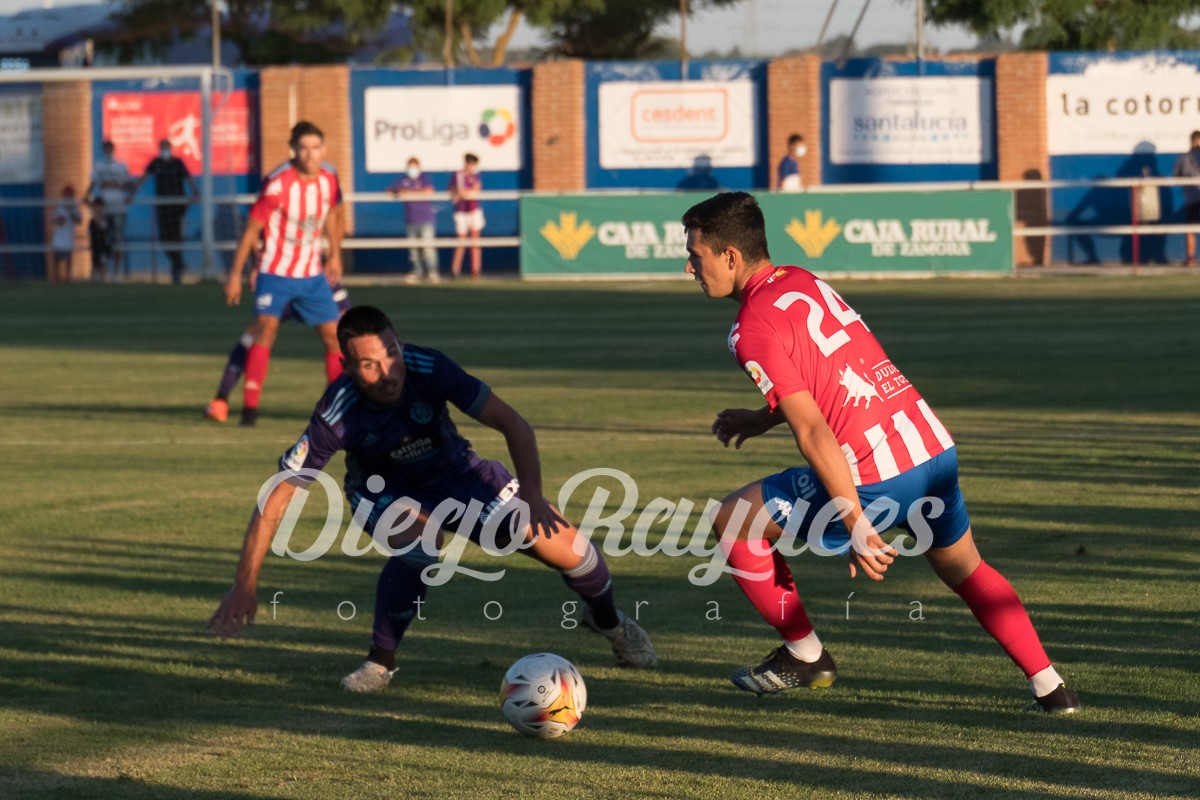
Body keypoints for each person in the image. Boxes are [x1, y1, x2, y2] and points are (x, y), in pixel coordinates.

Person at [680, 191, 1080, 713]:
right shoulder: (802, 280)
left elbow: (816, 432)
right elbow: (832, 373)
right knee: (965, 568)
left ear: (730, 255)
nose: (689, 266)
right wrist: (760, 418)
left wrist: (857, 522)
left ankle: (805, 656)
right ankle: (1051, 687)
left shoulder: (749, 328)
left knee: (734, 521)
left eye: (696, 254)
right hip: (930, 446)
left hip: (874, 472)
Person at [208, 305, 656, 691]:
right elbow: (279, 495)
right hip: (384, 490)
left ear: (399, 343)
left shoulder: (429, 366)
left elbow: (514, 424)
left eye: (391, 355)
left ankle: (609, 621)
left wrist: (535, 500)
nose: (388, 372)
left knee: (573, 552)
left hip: (459, 474)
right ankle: (380, 662)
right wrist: (245, 582)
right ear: (346, 366)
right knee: (420, 545)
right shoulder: (337, 411)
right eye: (369, 365)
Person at [222, 120, 345, 428]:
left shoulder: (329, 179)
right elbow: (252, 229)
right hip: (274, 272)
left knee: (335, 338)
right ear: (293, 150)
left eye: (315, 147)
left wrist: (335, 254)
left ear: (324, 149)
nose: (309, 154)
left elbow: (331, 214)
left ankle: (339, 410)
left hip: (311, 274)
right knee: (265, 331)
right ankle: (249, 411)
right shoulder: (278, 184)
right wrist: (236, 274)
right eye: (303, 148)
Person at [205, 282, 351, 423]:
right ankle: (223, 401)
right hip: (287, 284)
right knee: (253, 335)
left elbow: (333, 260)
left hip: (313, 285)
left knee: (342, 336)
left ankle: (337, 403)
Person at [131, 139, 199, 284]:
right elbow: (143, 177)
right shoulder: (156, 163)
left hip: (178, 206)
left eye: (166, 147)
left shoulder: (178, 163)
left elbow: (188, 178)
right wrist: (132, 192)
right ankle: (179, 262)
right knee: (164, 238)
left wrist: (195, 192)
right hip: (163, 206)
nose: (165, 150)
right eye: (162, 148)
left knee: (177, 237)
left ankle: (176, 271)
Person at [84, 140, 132, 279]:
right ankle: (101, 272)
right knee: (102, 241)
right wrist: (86, 196)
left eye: (110, 148)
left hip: (118, 208)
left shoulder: (121, 166)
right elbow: (92, 183)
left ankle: (115, 273)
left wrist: (128, 194)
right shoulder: (99, 166)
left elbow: (128, 185)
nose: (108, 151)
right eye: (106, 148)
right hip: (103, 209)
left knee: (117, 240)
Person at [388, 157, 439, 283]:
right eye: (410, 167)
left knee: (428, 247)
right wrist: (400, 191)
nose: (412, 170)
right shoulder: (404, 180)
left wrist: (410, 193)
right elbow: (389, 190)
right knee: (414, 249)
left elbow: (429, 191)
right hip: (411, 219)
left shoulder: (424, 178)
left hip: (425, 219)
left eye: (414, 167)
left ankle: (432, 272)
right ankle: (418, 272)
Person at [448, 153, 484, 279]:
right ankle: (455, 270)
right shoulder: (459, 175)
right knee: (461, 241)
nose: (473, 167)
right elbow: (460, 192)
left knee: (475, 241)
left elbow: (477, 189)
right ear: (467, 163)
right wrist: (465, 192)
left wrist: (468, 192)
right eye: (472, 164)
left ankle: (476, 270)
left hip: (474, 210)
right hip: (461, 211)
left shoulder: (475, 175)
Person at [1171, 130, 1200, 265]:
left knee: (1190, 228)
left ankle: (1190, 258)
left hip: (1191, 198)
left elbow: (1176, 177)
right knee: (1190, 228)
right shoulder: (1184, 158)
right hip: (1192, 198)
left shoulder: (1183, 158)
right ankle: (1190, 258)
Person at [49, 184, 81, 283]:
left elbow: (79, 220)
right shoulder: (59, 206)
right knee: (56, 259)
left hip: (68, 237)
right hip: (58, 238)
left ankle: (68, 277)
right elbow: (53, 218)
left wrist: (72, 214)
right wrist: (59, 220)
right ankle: (56, 277)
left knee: (68, 259)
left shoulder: (74, 207)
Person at [87, 196, 112, 283]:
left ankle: (103, 279)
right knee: (94, 264)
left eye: (100, 207)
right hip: (94, 247)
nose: (98, 209)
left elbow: (104, 231)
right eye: (96, 207)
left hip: (103, 248)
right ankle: (94, 279)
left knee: (102, 265)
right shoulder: (91, 222)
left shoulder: (104, 221)